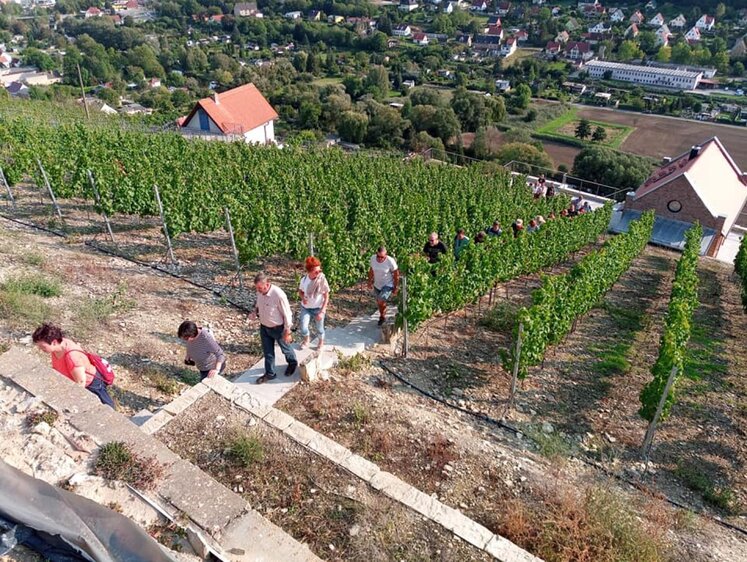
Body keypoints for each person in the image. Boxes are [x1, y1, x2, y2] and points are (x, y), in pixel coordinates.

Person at [32, 324, 115, 408]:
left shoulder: (72, 357)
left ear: (54, 342)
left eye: (42, 347)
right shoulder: (60, 345)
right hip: (72, 380)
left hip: (91, 384)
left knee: (105, 405)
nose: (40, 349)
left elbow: (80, 382)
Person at [252, 272, 297, 384]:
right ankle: (270, 373)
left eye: (260, 288)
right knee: (268, 352)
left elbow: (287, 314)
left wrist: (287, 331)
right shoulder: (260, 293)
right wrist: (254, 312)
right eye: (257, 288)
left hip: (278, 328)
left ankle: (292, 363)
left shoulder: (278, 295)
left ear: (267, 284)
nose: (258, 290)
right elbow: (257, 305)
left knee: (285, 349)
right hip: (264, 327)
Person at [298, 256, 330, 349]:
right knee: (303, 327)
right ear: (310, 271)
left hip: (318, 308)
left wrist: (322, 311)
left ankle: (320, 342)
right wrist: (303, 297)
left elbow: (326, 296)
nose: (319, 273)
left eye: (319, 270)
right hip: (306, 308)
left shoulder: (322, 280)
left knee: (320, 328)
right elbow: (300, 291)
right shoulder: (304, 280)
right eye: (316, 271)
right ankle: (306, 340)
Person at [368, 246, 399, 326]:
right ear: (376, 254)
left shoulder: (390, 261)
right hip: (377, 284)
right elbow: (371, 270)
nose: (380, 259)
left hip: (387, 284)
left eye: (382, 257)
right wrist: (369, 281)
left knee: (380, 300)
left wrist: (395, 287)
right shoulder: (373, 259)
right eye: (378, 256)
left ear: (386, 255)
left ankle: (382, 316)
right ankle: (382, 315)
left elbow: (396, 274)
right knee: (380, 303)